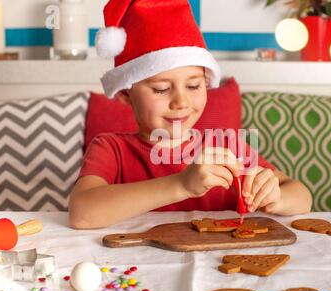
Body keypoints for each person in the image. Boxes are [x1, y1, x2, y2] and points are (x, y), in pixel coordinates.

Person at [69, 0, 312, 229]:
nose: (181, 101)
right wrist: (181, 184)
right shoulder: (111, 150)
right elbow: (81, 213)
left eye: (194, 86)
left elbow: (302, 196)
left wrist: (276, 196)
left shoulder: (226, 147)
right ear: (125, 94)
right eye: (161, 89)